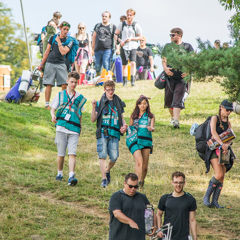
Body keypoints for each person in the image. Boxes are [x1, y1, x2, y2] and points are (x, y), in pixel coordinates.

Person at [50, 71, 87, 186]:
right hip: (61, 128)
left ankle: (71, 176)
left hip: (74, 129)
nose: (73, 84)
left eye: (75, 82)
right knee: (61, 154)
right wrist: (53, 115)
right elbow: (52, 108)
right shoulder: (60, 95)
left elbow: (80, 114)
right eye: (71, 82)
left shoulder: (80, 98)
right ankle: (60, 173)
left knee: (72, 153)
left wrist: (80, 128)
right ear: (67, 81)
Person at [91, 80, 127, 188]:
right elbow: (93, 119)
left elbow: (121, 117)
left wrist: (124, 126)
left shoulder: (118, 102)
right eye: (108, 90)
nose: (111, 92)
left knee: (114, 157)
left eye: (112, 90)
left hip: (114, 132)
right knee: (102, 155)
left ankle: (107, 170)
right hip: (103, 131)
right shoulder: (99, 102)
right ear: (104, 89)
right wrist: (93, 108)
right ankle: (104, 179)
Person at [203, 100, 234, 208]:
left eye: (230, 110)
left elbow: (230, 136)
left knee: (222, 177)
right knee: (218, 174)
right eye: (227, 110)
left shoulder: (228, 122)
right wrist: (222, 144)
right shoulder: (214, 118)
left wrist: (227, 146)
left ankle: (215, 201)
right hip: (213, 149)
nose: (228, 112)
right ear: (221, 107)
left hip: (224, 151)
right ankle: (206, 197)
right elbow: (213, 132)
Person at [162, 27, 194, 128]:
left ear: (179, 35)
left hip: (181, 79)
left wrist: (188, 71)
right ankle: (172, 118)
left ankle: (176, 121)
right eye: (170, 35)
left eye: (173, 35)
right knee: (168, 99)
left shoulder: (187, 47)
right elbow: (164, 59)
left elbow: (193, 60)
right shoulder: (167, 46)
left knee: (177, 99)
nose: (171, 37)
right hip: (170, 78)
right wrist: (165, 69)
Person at [109, 173, 156, 240]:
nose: (133, 189)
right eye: (130, 186)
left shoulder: (142, 197)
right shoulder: (116, 196)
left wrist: (154, 225)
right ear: (125, 184)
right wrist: (130, 221)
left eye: (135, 187)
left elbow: (151, 213)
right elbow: (117, 213)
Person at [38, 21, 73, 110]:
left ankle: (63, 104)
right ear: (60, 28)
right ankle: (47, 104)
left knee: (64, 84)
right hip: (50, 62)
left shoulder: (69, 40)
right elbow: (47, 51)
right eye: (64, 29)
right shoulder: (53, 38)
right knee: (49, 84)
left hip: (61, 64)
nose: (65, 31)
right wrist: (42, 64)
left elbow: (63, 52)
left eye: (67, 30)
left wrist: (59, 42)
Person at [156, 172, 198, 240]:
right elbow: (158, 214)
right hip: (167, 236)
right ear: (172, 183)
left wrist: (195, 237)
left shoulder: (190, 200)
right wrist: (159, 229)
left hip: (183, 237)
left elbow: (192, 220)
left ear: (184, 183)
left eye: (180, 182)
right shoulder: (165, 198)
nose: (178, 185)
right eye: (176, 182)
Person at [126, 95, 155, 189]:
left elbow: (152, 127)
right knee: (139, 161)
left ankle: (142, 181)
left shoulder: (151, 116)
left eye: (144, 103)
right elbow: (130, 128)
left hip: (146, 141)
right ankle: (136, 183)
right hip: (135, 141)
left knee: (145, 166)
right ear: (137, 105)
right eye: (141, 103)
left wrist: (151, 128)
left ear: (147, 105)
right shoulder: (133, 116)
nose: (143, 106)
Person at [114, 8, 142, 86]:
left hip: (133, 46)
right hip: (124, 46)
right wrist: (120, 41)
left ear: (133, 16)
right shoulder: (122, 24)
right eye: (128, 15)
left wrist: (132, 39)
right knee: (124, 64)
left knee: (133, 63)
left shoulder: (136, 25)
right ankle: (125, 82)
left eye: (130, 15)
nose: (129, 17)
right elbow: (115, 34)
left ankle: (132, 81)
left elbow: (140, 37)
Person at [92, 11, 116, 76]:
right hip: (98, 49)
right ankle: (99, 78)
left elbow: (115, 37)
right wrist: (92, 48)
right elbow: (94, 36)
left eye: (106, 16)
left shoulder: (112, 26)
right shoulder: (97, 26)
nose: (104, 18)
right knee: (97, 66)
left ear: (109, 18)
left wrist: (117, 47)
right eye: (103, 16)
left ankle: (106, 80)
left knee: (106, 64)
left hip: (107, 49)